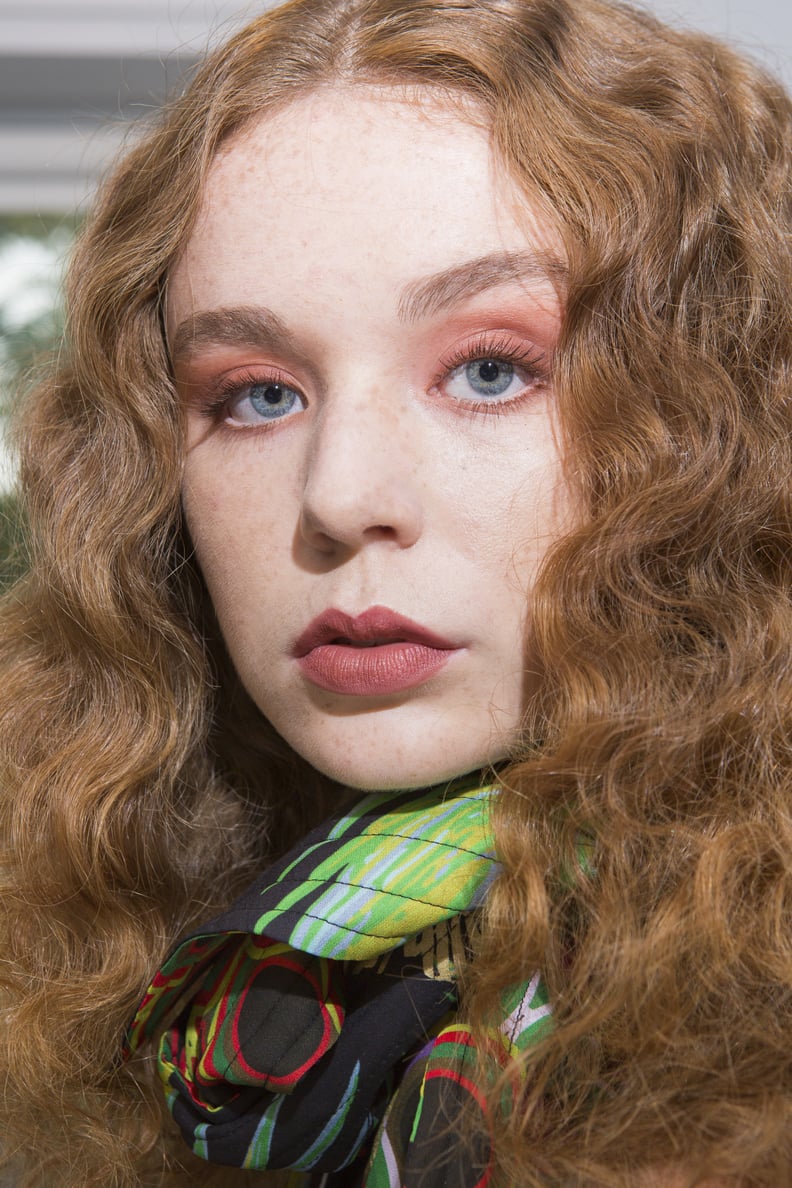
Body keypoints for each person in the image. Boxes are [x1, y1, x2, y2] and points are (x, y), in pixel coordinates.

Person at [1, 0, 790, 1183]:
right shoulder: (88, 959)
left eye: (490, 369)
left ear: (736, 430)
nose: (339, 495)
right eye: (258, 393)